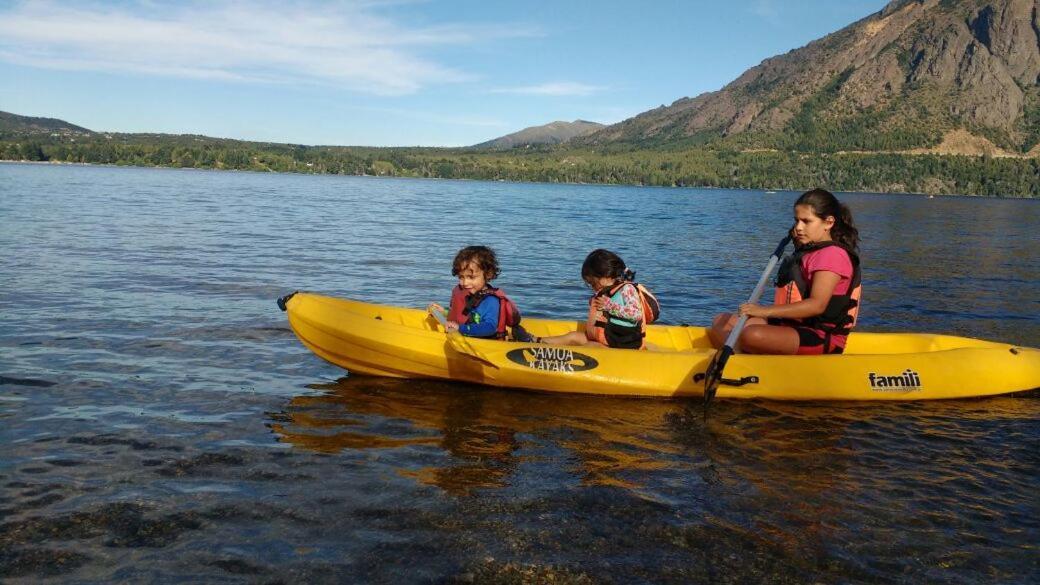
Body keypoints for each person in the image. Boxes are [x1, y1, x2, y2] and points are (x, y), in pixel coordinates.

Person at [708, 188, 862, 355]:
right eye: (796, 220)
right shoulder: (809, 252)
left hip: (821, 335)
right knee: (722, 320)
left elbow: (817, 305)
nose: (799, 227)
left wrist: (762, 311)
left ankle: (740, 354)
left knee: (752, 334)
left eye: (806, 221)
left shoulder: (832, 255)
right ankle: (737, 356)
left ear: (828, 222)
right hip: (794, 326)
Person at [539, 249, 658, 350]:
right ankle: (536, 342)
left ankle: (560, 359)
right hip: (608, 340)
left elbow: (635, 314)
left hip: (623, 345)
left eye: (593, 283)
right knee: (573, 336)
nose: (592, 287)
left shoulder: (627, 289)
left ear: (606, 276)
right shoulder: (608, 290)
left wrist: (609, 306)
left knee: (590, 346)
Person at [427, 245, 534, 341]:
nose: (465, 283)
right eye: (461, 277)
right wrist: (445, 312)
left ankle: (533, 340)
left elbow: (490, 327)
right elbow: (465, 315)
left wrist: (460, 328)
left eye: (471, 277)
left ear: (488, 274)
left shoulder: (490, 301)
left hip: (487, 345)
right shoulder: (470, 294)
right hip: (468, 337)